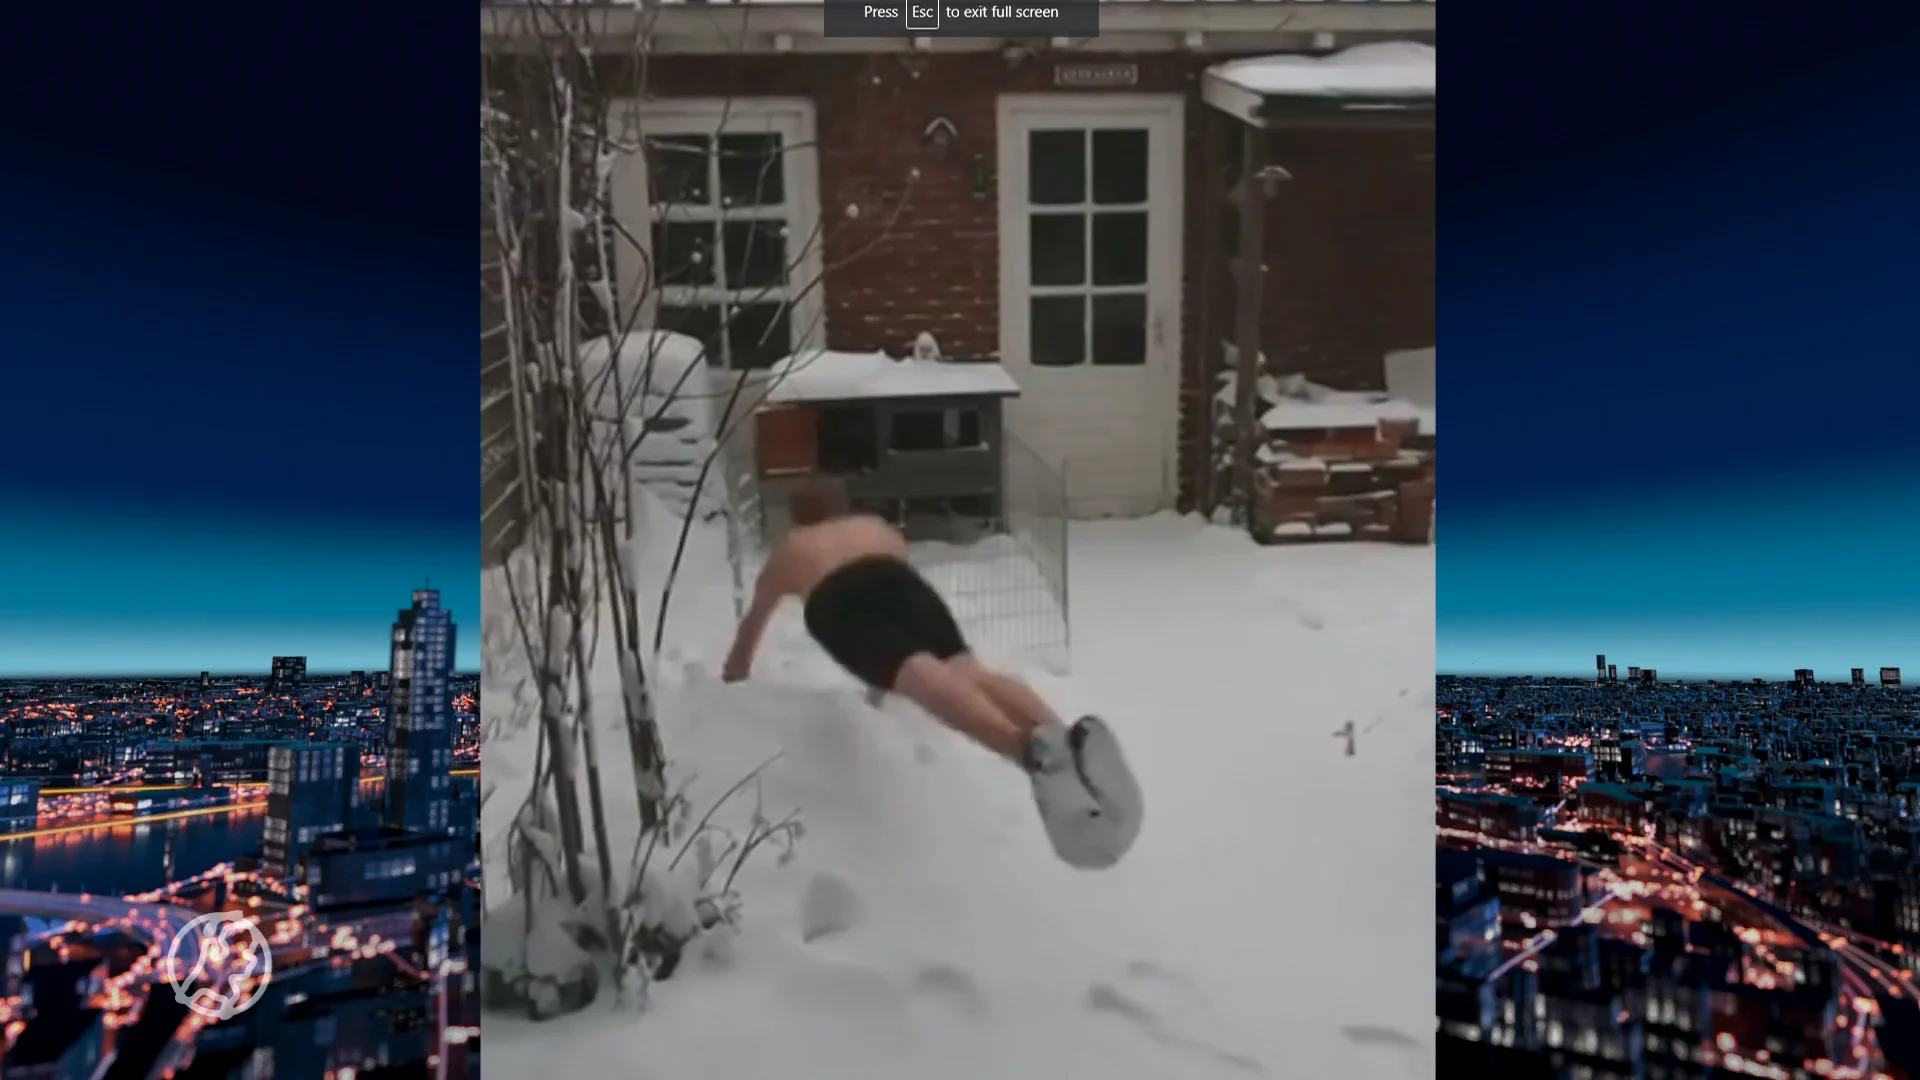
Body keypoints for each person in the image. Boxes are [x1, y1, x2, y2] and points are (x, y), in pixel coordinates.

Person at [720, 479, 1143, 869]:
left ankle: (1029, 754)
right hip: (899, 580)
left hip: (837, 599)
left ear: (798, 516)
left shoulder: (791, 548)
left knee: (917, 674)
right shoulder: (875, 528)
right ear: (844, 507)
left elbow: (748, 637)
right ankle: (1061, 738)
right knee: (967, 670)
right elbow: (891, 604)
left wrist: (728, 682)